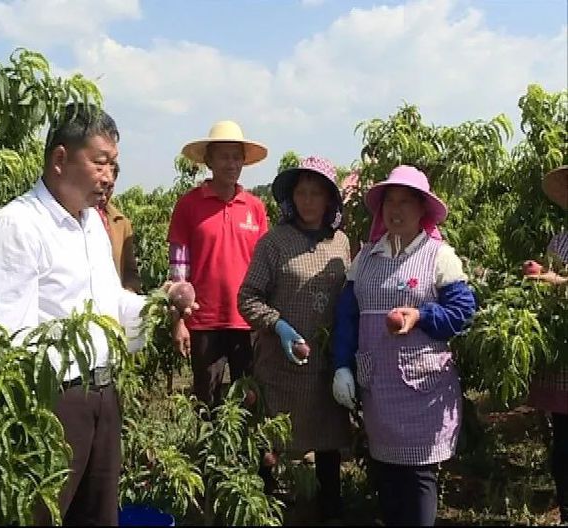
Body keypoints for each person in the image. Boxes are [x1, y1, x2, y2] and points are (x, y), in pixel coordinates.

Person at [0, 103, 146, 526]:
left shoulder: (92, 223)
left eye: (114, 165)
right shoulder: (17, 225)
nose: (109, 176)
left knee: (98, 515)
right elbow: (12, 336)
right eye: (100, 163)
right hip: (54, 400)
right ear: (59, 159)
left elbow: (112, 304)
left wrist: (162, 305)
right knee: (45, 515)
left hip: (104, 393)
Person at [331, 165, 476, 526]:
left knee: (418, 478)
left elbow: (462, 312)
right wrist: (342, 366)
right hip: (379, 387)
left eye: (406, 202)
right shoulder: (366, 257)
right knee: (388, 476)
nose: (396, 210)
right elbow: (347, 316)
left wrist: (422, 316)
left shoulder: (438, 256)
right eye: (389, 202)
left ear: (422, 209)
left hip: (422, 392)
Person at [238, 156, 352, 522]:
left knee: (328, 444)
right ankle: (265, 510)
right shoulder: (274, 243)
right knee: (272, 444)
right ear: (291, 197)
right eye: (301, 192)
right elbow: (248, 297)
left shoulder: (342, 243)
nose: (307, 201)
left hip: (326, 366)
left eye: (315, 193)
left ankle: (328, 511)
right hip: (281, 368)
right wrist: (278, 324)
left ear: (329, 200)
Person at [167, 120, 269, 407]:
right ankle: (208, 453)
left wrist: (265, 320)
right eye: (224, 156)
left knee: (249, 401)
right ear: (209, 160)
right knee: (207, 402)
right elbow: (178, 271)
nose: (231, 163)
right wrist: (179, 322)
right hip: (204, 322)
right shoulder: (188, 206)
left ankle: (245, 454)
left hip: (246, 321)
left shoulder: (255, 208)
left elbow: (264, 267)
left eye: (237, 156)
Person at [526, 165, 568, 525]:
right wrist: (538, 277)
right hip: (562, 353)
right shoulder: (559, 239)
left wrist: (554, 280)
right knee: (564, 440)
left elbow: (559, 282)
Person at [97, 162, 142, 292]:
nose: (104, 193)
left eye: (110, 187)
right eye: (102, 185)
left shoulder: (121, 223)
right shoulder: (76, 215)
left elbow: (130, 271)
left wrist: (127, 295)